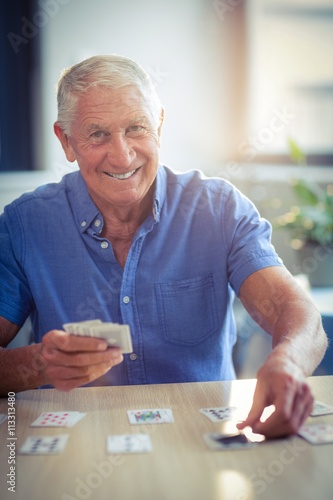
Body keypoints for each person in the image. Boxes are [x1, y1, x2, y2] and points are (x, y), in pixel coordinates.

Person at [0, 55, 327, 438]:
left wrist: (287, 361)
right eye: (98, 134)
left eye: (136, 128)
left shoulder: (220, 209)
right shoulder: (25, 224)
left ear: (159, 125)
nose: (122, 156)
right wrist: (38, 364)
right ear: (66, 141)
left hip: (201, 438)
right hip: (77, 445)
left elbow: (296, 311)